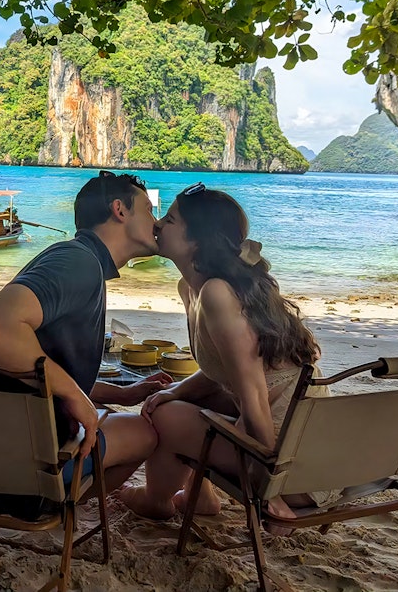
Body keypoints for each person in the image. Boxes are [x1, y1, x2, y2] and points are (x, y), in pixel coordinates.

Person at [0, 170, 171, 518]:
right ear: (120, 210)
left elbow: (31, 369)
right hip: (2, 474)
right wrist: (76, 397)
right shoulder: (78, 263)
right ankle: (52, 503)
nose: (157, 222)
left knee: (110, 415)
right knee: (144, 434)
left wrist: (122, 394)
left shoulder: (79, 260)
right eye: (149, 210)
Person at [120, 183, 336, 528]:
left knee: (166, 418)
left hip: (296, 469)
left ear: (197, 240)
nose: (158, 224)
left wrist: (272, 490)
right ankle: (198, 497)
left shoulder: (217, 293)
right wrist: (174, 390)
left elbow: (253, 394)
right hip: (299, 445)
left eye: (171, 219)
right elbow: (229, 368)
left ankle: (156, 501)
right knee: (178, 401)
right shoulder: (194, 288)